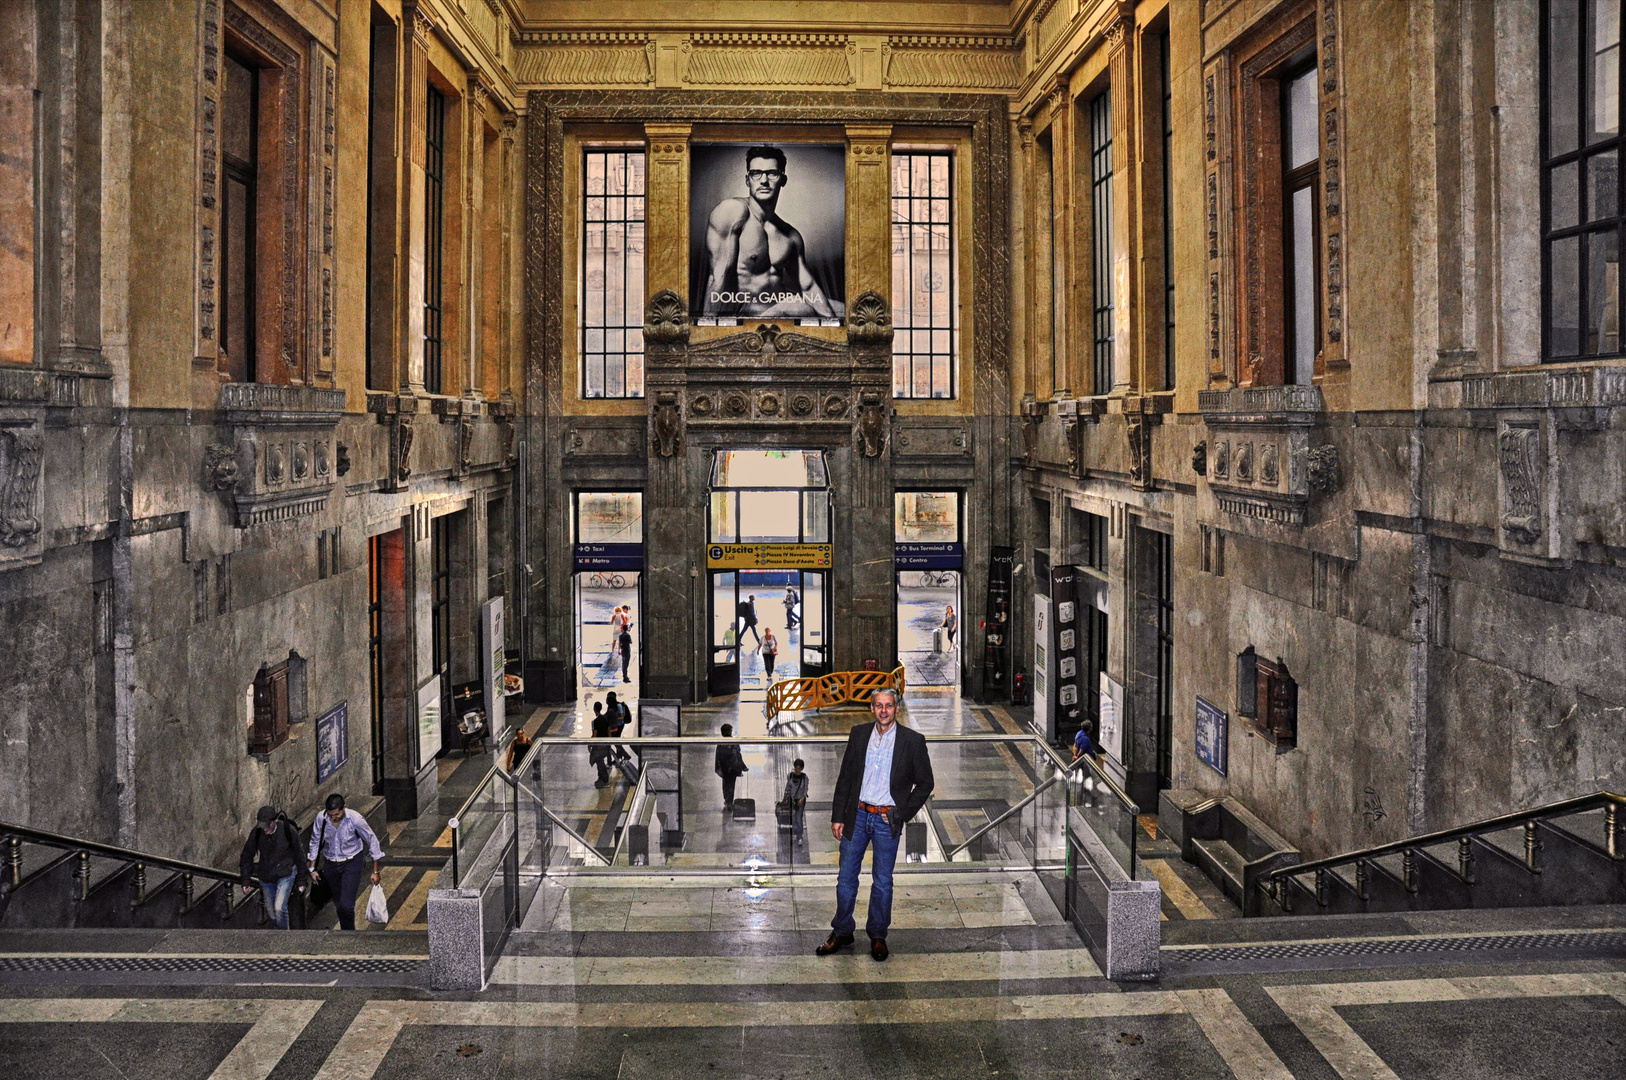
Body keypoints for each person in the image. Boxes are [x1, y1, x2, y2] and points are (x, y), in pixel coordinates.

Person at [817, 688, 934, 962]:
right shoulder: (859, 735)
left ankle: (878, 935)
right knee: (846, 879)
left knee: (882, 882)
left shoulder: (912, 741)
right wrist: (838, 815)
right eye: (879, 705)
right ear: (871, 708)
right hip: (856, 816)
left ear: (896, 708)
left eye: (889, 706)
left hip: (886, 820)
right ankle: (842, 930)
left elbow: (926, 783)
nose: (884, 711)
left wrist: (901, 813)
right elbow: (845, 777)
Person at [702, 145, 839, 319]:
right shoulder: (733, 212)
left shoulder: (790, 236)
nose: (764, 180)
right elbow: (718, 277)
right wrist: (707, 327)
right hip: (746, 313)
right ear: (747, 180)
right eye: (756, 173)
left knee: (844, 310)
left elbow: (808, 286)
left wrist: (833, 323)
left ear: (783, 179)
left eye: (772, 173)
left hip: (780, 309)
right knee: (797, 306)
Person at [306, 793, 384, 931]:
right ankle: (346, 931)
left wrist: (375, 871)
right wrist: (312, 869)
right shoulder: (321, 818)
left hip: (352, 863)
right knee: (339, 903)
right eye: (330, 815)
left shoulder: (355, 819)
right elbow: (315, 841)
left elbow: (372, 841)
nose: (333, 818)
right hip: (330, 864)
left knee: (347, 905)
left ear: (344, 808)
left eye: (336, 814)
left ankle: (349, 933)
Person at [239, 805, 302, 929]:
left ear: (275, 821)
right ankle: (277, 933)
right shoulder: (257, 833)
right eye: (262, 826)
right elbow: (246, 856)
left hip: (286, 872)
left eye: (268, 826)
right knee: (272, 913)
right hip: (267, 875)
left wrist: (302, 880)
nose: (265, 829)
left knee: (279, 908)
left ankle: (284, 938)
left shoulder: (287, 830)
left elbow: (300, 855)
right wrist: (245, 879)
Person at [714, 723, 747, 811]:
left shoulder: (721, 743)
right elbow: (738, 755)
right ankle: (729, 802)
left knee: (725, 784)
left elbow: (718, 756)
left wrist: (718, 767)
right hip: (732, 768)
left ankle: (727, 800)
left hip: (725, 768)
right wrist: (742, 766)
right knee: (731, 785)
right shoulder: (734, 742)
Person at [784, 758, 809, 840]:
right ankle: (795, 832)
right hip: (792, 800)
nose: (797, 770)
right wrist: (785, 797)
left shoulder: (804, 777)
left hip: (800, 800)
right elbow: (788, 787)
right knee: (794, 817)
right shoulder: (790, 776)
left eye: (799, 768)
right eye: (796, 768)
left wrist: (802, 798)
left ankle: (800, 835)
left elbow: (805, 789)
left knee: (799, 817)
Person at [590, 702, 612, 787]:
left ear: (594, 709)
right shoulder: (605, 719)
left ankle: (605, 780)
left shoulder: (595, 721)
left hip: (599, 745)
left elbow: (594, 735)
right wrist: (609, 742)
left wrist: (590, 744)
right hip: (605, 743)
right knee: (600, 761)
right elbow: (609, 731)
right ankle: (600, 778)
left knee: (599, 761)